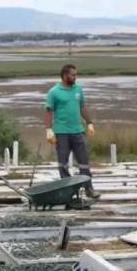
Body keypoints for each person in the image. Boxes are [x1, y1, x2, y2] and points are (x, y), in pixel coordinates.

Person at [44, 64, 101, 198]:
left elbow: (82, 107)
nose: (75, 77)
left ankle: (89, 189)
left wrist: (90, 123)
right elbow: (48, 111)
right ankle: (68, 192)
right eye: (73, 75)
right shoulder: (54, 92)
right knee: (63, 164)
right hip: (61, 132)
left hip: (78, 131)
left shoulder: (78, 89)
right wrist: (48, 129)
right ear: (65, 75)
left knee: (84, 162)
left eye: (76, 74)